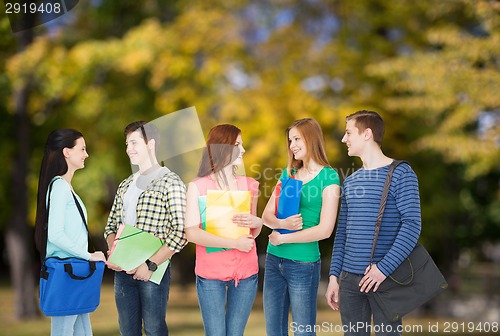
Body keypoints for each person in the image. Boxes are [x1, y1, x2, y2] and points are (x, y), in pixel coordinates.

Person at [326, 110, 421, 336]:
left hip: (385, 279)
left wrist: (383, 269)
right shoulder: (349, 182)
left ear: (367, 134)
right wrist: (333, 277)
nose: (344, 139)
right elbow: (342, 234)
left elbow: (412, 225)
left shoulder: (401, 173)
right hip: (349, 281)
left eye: (349, 133)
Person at [104, 121, 187, 336]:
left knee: (154, 329)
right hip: (123, 272)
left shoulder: (171, 182)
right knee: (127, 331)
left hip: (153, 271)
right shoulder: (125, 184)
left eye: (134, 143)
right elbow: (110, 226)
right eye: (126, 144)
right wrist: (114, 252)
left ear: (150, 144)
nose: (128, 149)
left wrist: (149, 265)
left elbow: (180, 232)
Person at [262, 118, 340, 336]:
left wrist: (284, 237)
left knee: (304, 331)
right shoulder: (288, 174)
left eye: (297, 138)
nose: (292, 145)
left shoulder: (329, 177)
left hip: (303, 265)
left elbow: (325, 230)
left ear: (311, 138)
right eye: (290, 140)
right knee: (274, 331)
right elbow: (266, 215)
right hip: (274, 259)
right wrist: (281, 224)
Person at [184, 124, 262, 336]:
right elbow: (191, 233)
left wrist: (258, 223)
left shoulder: (250, 185)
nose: (243, 150)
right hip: (211, 274)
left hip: (246, 272)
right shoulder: (197, 187)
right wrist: (234, 244)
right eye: (238, 145)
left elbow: (252, 232)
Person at [34, 129, 106, 336]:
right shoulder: (59, 187)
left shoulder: (66, 187)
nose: (86, 154)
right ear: (67, 152)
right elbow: (55, 235)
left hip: (74, 274)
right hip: (67, 273)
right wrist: (89, 255)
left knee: (83, 332)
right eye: (82, 149)